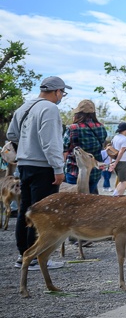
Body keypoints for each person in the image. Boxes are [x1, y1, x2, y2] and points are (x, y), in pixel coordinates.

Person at [5, 76, 70, 271]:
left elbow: (11, 135)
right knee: (43, 213)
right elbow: (50, 142)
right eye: (62, 93)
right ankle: (35, 257)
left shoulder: (24, 107)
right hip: (43, 166)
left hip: (24, 164)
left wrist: (27, 144)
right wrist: (58, 168)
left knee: (27, 208)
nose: (61, 97)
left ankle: (23, 254)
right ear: (56, 91)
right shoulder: (49, 109)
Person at [64, 99, 107, 195]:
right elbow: (102, 145)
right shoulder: (101, 127)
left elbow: (64, 149)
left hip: (74, 170)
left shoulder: (73, 128)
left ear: (78, 113)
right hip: (94, 172)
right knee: (89, 200)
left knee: (74, 202)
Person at [110, 122, 126, 196]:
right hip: (121, 161)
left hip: (114, 160)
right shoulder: (125, 139)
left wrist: (112, 163)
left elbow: (110, 150)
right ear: (125, 129)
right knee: (124, 181)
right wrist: (116, 162)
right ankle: (117, 197)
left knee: (121, 180)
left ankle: (115, 195)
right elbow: (121, 152)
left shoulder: (115, 137)